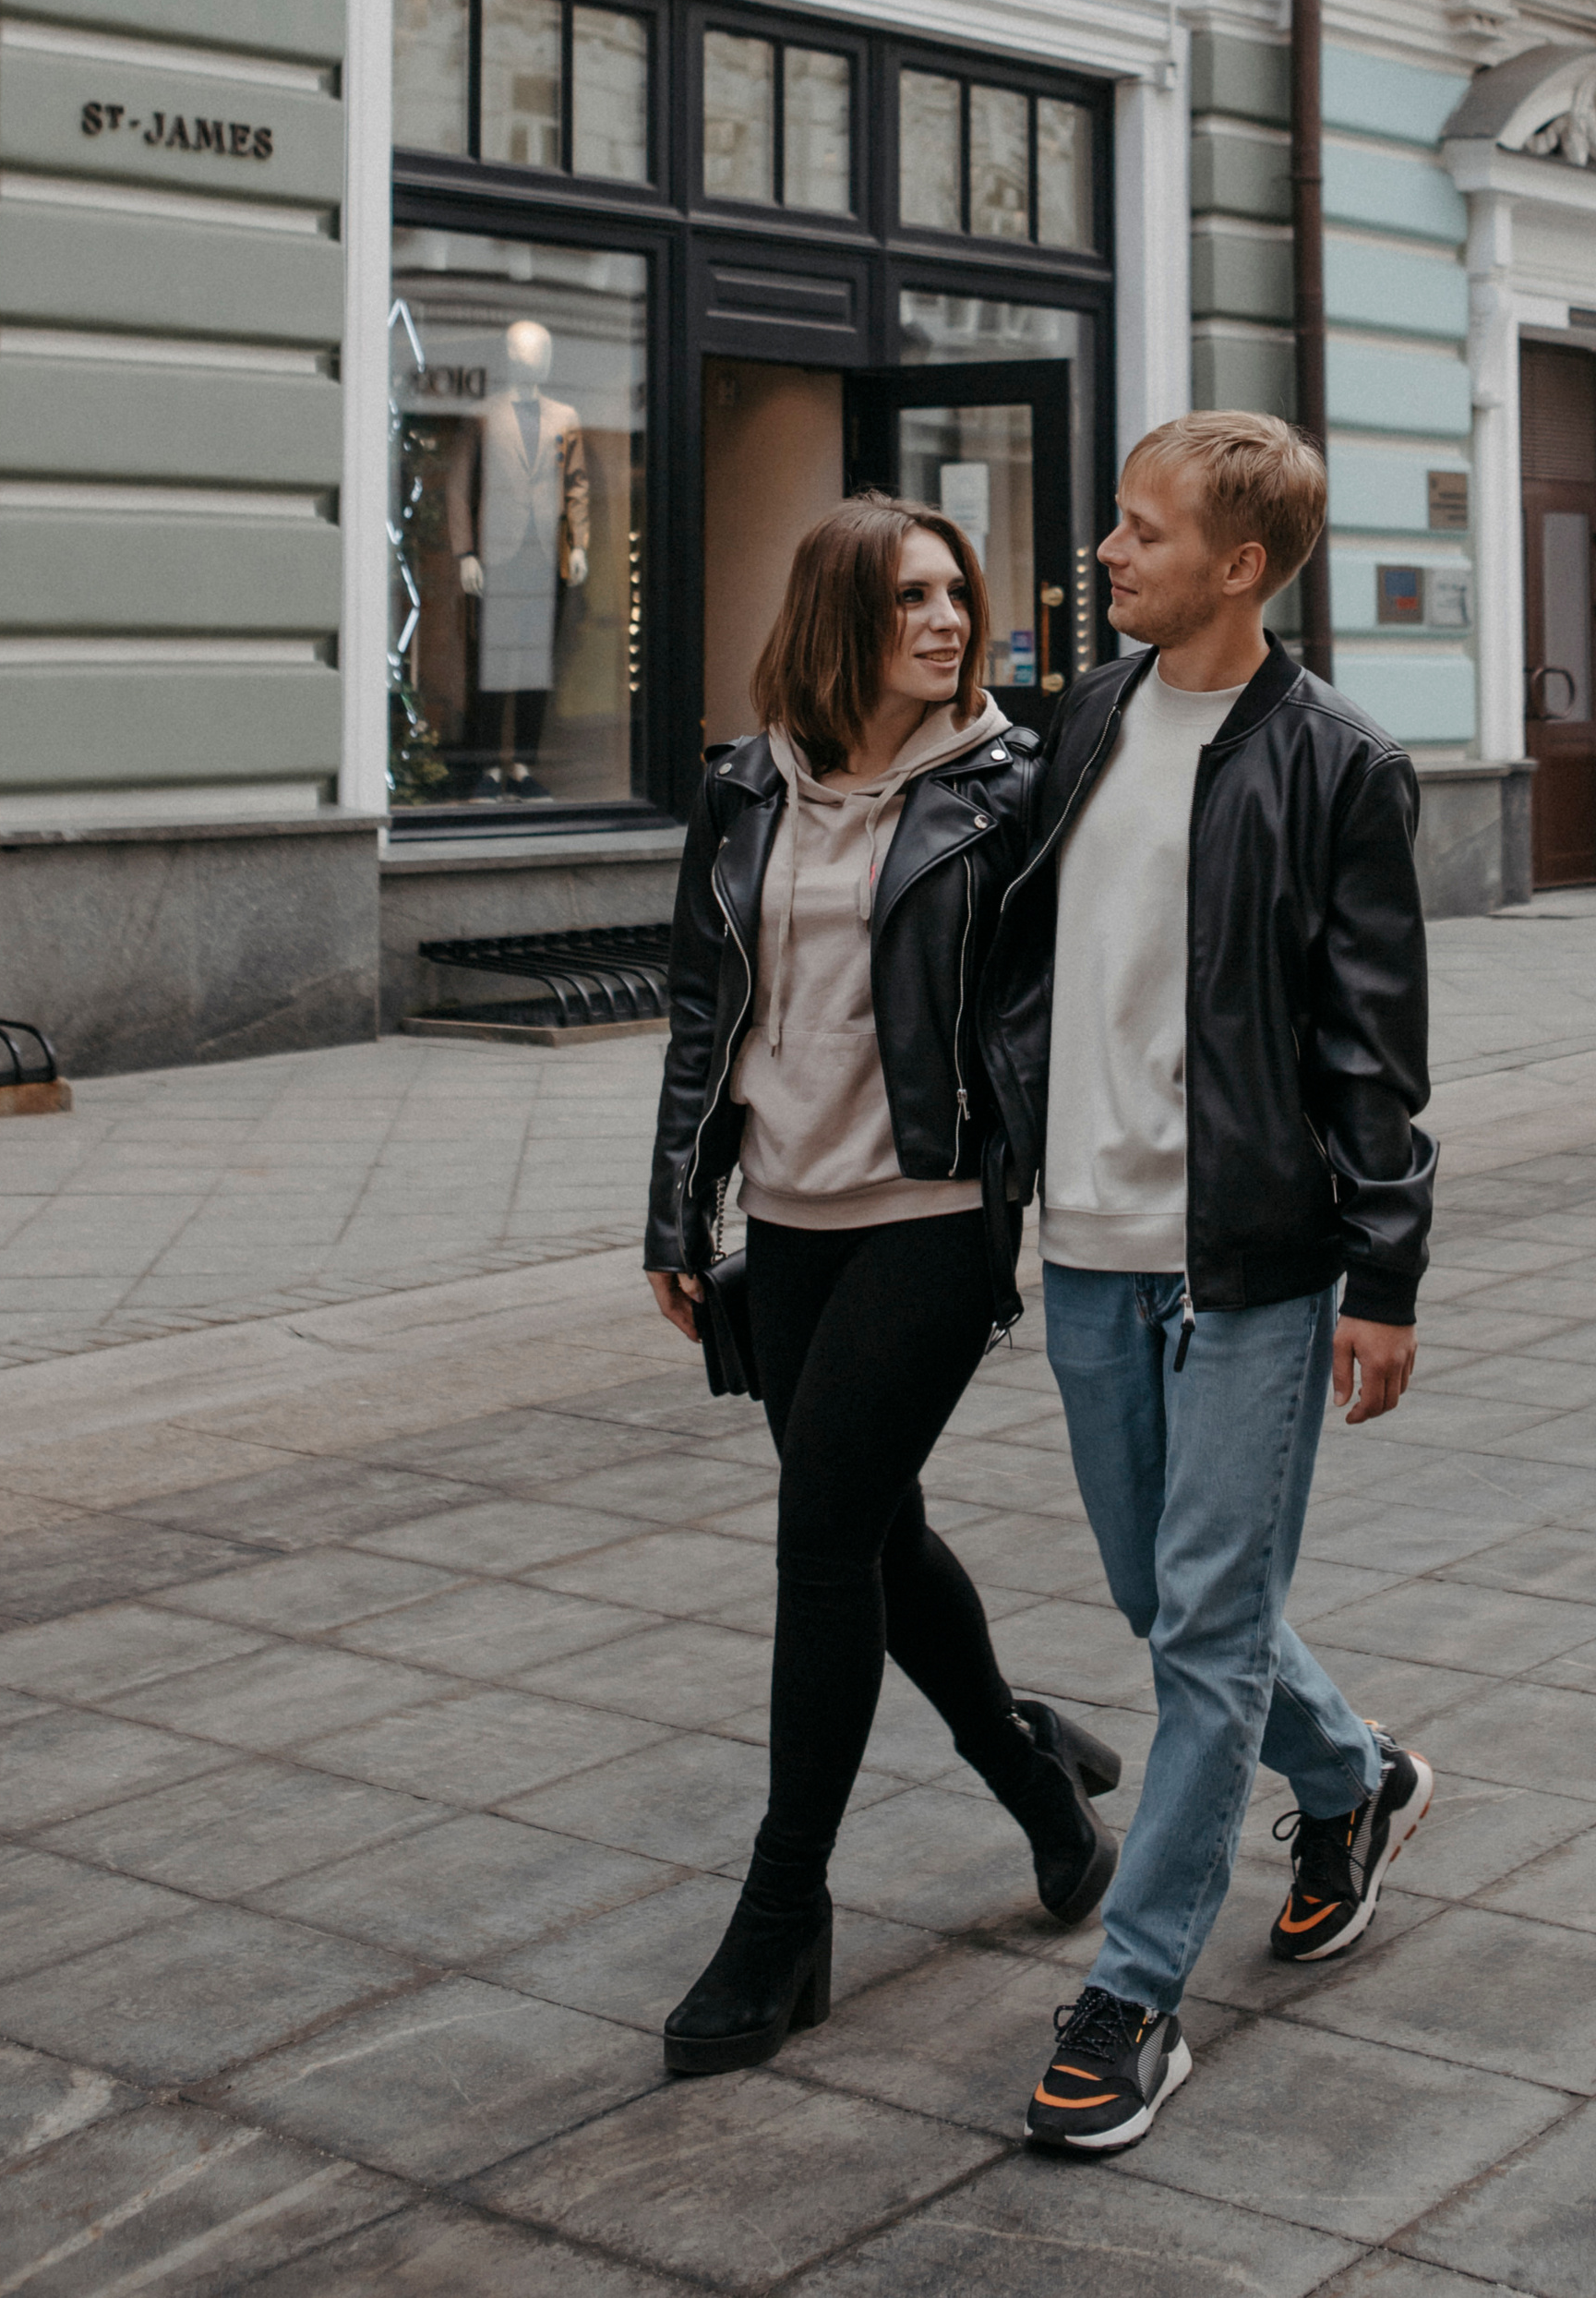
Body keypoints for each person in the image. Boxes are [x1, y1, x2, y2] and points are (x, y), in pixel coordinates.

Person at [978, 411, 1438, 2154]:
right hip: (1089, 1245)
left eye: (1140, 531)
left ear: (1239, 566)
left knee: (1206, 1633)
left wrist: (1384, 1272)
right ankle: (1354, 1780)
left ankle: (1136, 1994)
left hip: (1249, 1262)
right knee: (1165, 1600)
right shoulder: (1085, 720)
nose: (1106, 554)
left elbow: (1371, 1050)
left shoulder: (1341, 765)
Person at [642, 492, 1122, 2075]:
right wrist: (674, 1214)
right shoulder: (743, 785)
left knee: (823, 1532)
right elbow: (707, 1018)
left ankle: (783, 1915)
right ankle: (1031, 1772)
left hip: (932, 1211)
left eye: (955, 595)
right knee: (879, 1531)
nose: (947, 620)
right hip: (786, 1218)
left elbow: (1067, 997)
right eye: (912, 597)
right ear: (843, 616)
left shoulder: (1009, 788)